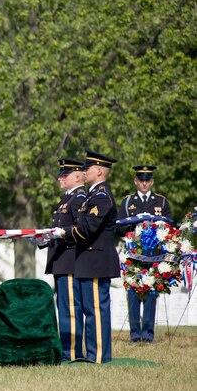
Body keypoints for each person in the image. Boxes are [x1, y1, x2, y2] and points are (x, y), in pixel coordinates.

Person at [50, 149, 120, 363]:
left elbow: (87, 228)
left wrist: (64, 233)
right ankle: (92, 354)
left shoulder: (101, 196)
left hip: (96, 260)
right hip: (88, 260)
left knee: (96, 311)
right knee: (90, 310)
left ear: (99, 171)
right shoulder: (92, 195)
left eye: (87, 168)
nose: (84, 171)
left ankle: (98, 356)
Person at [37, 158, 87, 361]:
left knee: (71, 309)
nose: (60, 178)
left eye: (64, 175)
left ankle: (72, 352)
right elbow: (59, 231)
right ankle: (66, 349)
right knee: (64, 308)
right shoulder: (66, 199)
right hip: (61, 260)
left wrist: (58, 234)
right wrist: (43, 240)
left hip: (70, 260)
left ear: (77, 176)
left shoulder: (79, 198)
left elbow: (78, 230)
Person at [116, 165, 172, 343]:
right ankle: (135, 334)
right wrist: (136, 226)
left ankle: (148, 334)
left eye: (148, 180)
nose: (144, 183)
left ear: (152, 182)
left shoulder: (161, 202)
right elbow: (118, 227)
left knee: (151, 291)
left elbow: (171, 227)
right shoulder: (127, 202)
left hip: (155, 255)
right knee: (133, 291)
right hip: (134, 255)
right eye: (141, 180)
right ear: (135, 181)